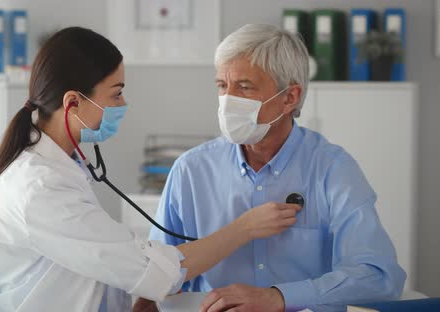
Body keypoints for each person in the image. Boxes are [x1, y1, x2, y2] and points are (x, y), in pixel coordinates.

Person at [0, 26, 301, 312]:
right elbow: (156, 272)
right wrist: (243, 228)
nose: (123, 105)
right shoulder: (39, 186)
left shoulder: (57, 168)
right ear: (73, 103)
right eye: (115, 94)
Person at [139, 24, 406, 312]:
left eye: (244, 87)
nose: (228, 100)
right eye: (222, 85)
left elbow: (380, 277)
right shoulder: (190, 170)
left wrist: (280, 297)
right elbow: (158, 275)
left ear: (289, 97)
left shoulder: (332, 168)